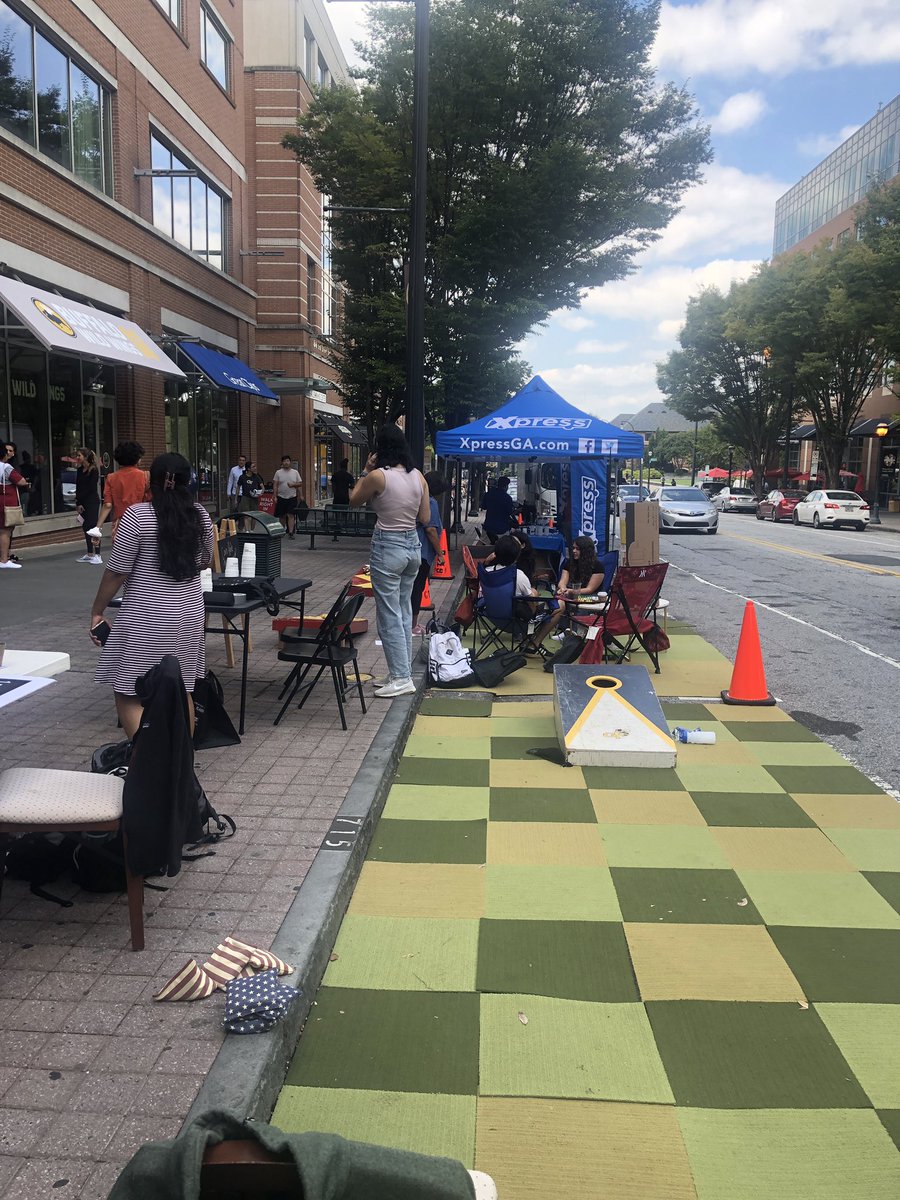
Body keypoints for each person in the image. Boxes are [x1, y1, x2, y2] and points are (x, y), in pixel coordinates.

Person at [90, 452, 214, 739]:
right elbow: (205, 561)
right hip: (189, 615)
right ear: (189, 482)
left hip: (146, 616)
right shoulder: (200, 516)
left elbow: (117, 571)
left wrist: (98, 610)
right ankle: (180, 761)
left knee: (130, 690)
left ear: (151, 481)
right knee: (182, 687)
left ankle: (149, 763)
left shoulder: (138, 515)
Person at [349, 425, 430, 698]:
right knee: (404, 611)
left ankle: (402, 677)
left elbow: (353, 500)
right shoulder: (418, 477)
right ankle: (400, 672)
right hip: (412, 548)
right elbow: (426, 518)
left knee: (389, 615)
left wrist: (364, 469)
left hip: (388, 546)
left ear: (379, 448)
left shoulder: (377, 477)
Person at [532, 535, 606, 645]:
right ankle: (565, 629)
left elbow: (590, 589)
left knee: (579, 600)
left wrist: (570, 591)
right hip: (572, 593)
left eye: (578, 549)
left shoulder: (597, 566)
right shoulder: (570, 563)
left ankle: (575, 632)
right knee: (559, 600)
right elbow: (563, 581)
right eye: (573, 548)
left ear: (585, 551)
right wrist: (562, 588)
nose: (574, 551)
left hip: (591, 596)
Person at [411, 470, 447, 634]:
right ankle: (412, 625)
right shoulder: (430, 502)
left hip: (413, 548)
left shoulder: (417, 498)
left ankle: (409, 623)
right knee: (417, 587)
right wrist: (440, 553)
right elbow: (431, 530)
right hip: (422, 550)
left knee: (412, 587)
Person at [94, 441, 148, 541]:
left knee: (122, 555)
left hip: (121, 523)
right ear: (138, 458)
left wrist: (98, 528)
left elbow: (107, 505)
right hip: (143, 521)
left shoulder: (111, 478)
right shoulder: (145, 476)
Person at [0, 442, 29, 569]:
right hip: (6, 502)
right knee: (5, 531)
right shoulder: (6, 467)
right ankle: (4, 559)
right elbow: (21, 481)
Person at [74, 447, 103, 564]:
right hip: (82, 502)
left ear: (85, 457)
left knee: (93, 527)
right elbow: (78, 486)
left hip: (92, 501)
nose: (77, 458)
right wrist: (78, 503)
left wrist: (82, 499)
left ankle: (98, 554)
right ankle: (90, 553)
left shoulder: (93, 470)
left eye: (79, 455)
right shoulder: (80, 470)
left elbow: (91, 488)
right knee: (85, 527)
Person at [273, 454, 304, 537]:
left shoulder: (295, 472)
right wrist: (275, 496)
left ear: (290, 462)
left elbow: (300, 484)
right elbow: (275, 485)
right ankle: (282, 531)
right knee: (281, 515)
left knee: (291, 514)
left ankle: (290, 532)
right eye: (284, 461)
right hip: (281, 496)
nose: (286, 463)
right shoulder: (278, 472)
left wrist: (301, 494)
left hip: (292, 497)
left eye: (287, 461)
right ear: (282, 462)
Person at [482, 475, 517, 543]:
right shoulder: (507, 498)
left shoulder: (488, 494)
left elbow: (484, 507)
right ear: (506, 486)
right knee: (503, 549)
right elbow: (510, 512)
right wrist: (518, 511)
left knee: (486, 548)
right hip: (502, 529)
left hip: (488, 527)